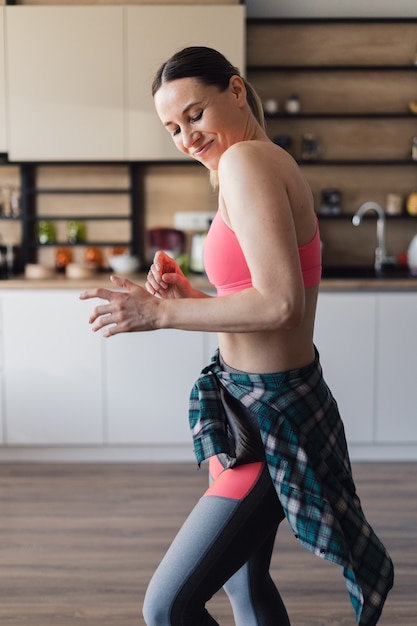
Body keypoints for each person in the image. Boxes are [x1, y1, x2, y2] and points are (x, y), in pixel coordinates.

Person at [80, 46, 394, 626]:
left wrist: (158, 314)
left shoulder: (247, 161)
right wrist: (192, 300)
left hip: (274, 419)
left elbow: (280, 304)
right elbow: (259, 298)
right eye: (173, 128)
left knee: (167, 607)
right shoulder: (242, 164)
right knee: (244, 586)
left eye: (195, 115)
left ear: (237, 89)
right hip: (249, 403)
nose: (186, 137)